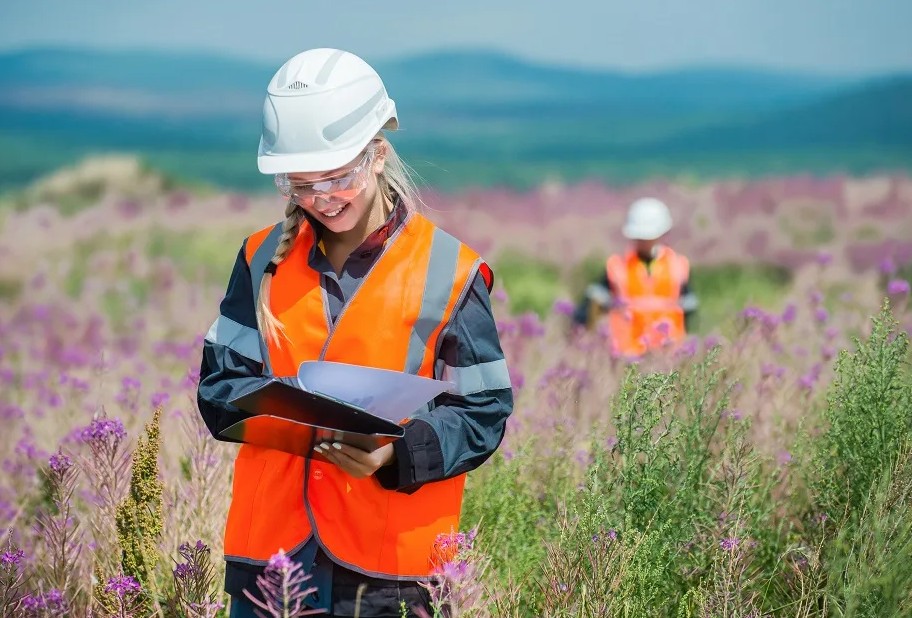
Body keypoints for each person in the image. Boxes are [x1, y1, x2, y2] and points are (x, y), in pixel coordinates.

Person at [196, 48, 513, 618]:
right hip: (269, 560)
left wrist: (396, 454)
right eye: (301, 183)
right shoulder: (258, 257)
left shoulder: (450, 271)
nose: (322, 198)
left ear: (378, 153)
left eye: (338, 176)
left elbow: (484, 412)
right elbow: (219, 390)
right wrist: (283, 413)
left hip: (388, 570)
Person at [572, 197, 698, 356]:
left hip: (669, 354)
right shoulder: (617, 266)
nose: (644, 241)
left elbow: (689, 310)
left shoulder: (678, 266)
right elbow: (589, 306)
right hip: (627, 353)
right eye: (640, 237)